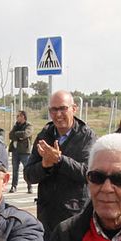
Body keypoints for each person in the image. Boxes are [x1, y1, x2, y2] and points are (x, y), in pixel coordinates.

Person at [25, 89, 95, 232]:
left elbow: (88, 174)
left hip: (75, 216)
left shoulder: (87, 137)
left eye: (63, 109)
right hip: (47, 216)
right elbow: (29, 175)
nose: (58, 115)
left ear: (74, 109)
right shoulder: (44, 135)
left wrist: (60, 160)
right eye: (53, 110)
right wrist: (44, 165)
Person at [8, 110, 31, 184]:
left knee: (27, 169)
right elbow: (10, 135)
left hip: (24, 151)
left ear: (23, 117)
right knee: (15, 170)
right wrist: (18, 136)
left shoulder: (28, 126)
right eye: (17, 116)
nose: (17, 118)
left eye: (18, 116)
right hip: (15, 151)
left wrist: (16, 134)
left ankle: (29, 185)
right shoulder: (16, 126)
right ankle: (14, 185)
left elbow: (25, 134)